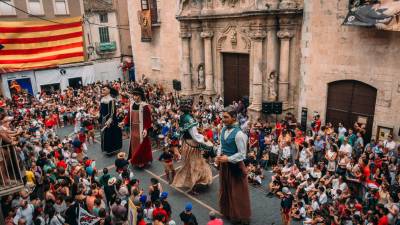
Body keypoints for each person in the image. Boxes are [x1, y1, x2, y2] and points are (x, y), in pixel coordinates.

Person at [215, 106, 251, 225]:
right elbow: (221, 144)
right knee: (226, 188)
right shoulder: (223, 130)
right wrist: (219, 155)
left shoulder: (240, 134)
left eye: (226, 117)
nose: (223, 119)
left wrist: (228, 158)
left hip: (235, 166)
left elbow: (242, 154)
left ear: (234, 118)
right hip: (225, 165)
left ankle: (239, 215)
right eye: (222, 117)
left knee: (236, 193)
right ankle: (228, 211)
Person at [172, 98, 213, 195]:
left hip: (187, 143)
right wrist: (205, 140)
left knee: (192, 165)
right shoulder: (189, 119)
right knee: (194, 166)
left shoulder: (183, 116)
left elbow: (183, 131)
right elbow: (195, 136)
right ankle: (192, 187)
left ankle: (195, 183)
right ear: (189, 107)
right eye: (192, 104)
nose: (194, 106)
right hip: (192, 145)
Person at [126, 87, 153, 168]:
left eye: (136, 95)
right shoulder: (131, 105)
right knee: (134, 144)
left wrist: (145, 129)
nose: (134, 97)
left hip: (141, 129)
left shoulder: (145, 106)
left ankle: (142, 161)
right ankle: (135, 159)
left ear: (140, 96)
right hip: (133, 129)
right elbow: (128, 116)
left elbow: (148, 119)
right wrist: (123, 122)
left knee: (142, 145)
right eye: (133, 95)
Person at [99, 85, 122, 155]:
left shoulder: (111, 100)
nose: (102, 91)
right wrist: (100, 118)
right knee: (105, 134)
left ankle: (112, 149)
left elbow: (112, 112)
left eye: (104, 89)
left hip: (110, 120)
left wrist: (109, 121)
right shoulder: (102, 99)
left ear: (109, 90)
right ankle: (106, 149)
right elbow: (101, 110)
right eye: (102, 89)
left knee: (111, 134)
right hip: (103, 119)